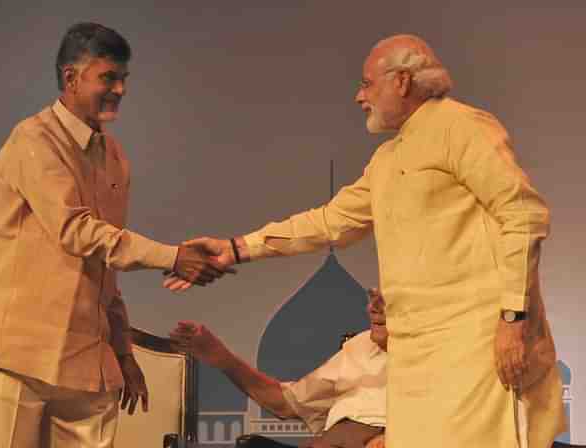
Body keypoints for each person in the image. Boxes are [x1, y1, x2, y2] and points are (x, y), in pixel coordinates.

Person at [165, 34, 566, 447]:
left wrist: (512, 320)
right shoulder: (387, 160)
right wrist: (236, 248)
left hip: (476, 346)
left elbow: (522, 214)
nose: (360, 97)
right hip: (416, 359)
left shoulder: (461, 126)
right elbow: (330, 221)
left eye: (366, 84)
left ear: (402, 81)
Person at [0, 22, 227, 448]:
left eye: (124, 78)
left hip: (87, 364)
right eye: (108, 77)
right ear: (71, 78)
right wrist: (173, 256)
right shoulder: (33, 140)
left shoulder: (114, 155)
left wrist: (123, 352)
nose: (120, 89)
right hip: (18, 358)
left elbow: (106, 259)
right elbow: (77, 232)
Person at [170, 289, 388, 448]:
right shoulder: (361, 345)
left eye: (385, 299)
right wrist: (222, 357)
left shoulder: (421, 363)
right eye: (372, 298)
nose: (373, 308)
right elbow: (286, 402)